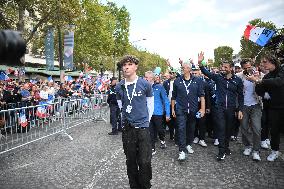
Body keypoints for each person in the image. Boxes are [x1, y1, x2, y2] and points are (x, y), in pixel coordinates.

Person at [116, 55, 154, 189]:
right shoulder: (119, 86)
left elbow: (150, 105)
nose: (126, 67)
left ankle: (145, 185)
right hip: (128, 129)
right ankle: (134, 186)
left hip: (143, 128)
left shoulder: (145, 84)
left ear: (136, 66)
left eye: (129, 64)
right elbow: (121, 106)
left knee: (144, 161)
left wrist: (144, 122)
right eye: (124, 65)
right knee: (131, 161)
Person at [198, 52, 244, 161]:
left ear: (231, 68)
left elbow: (241, 96)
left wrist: (240, 109)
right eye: (222, 67)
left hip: (231, 108)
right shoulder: (218, 78)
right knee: (221, 129)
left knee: (229, 130)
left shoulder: (237, 80)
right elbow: (206, 72)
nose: (222, 68)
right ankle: (221, 151)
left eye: (225, 67)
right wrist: (200, 63)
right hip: (219, 108)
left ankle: (226, 146)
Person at [171, 61, 205, 161]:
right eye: (182, 67)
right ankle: (181, 150)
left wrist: (202, 108)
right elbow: (173, 96)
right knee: (181, 128)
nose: (183, 69)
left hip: (193, 110)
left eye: (185, 67)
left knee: (191, 129)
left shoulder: (197, 80)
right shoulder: (177, 81)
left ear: (189, 69)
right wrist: (173, 108)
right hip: (181, 109)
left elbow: (202, 95)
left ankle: (188, 144)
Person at [255, 53, 284, 161]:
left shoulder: (282, 70)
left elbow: (279, 81)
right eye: (262, 62)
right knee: (274, 131)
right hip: (274, 108)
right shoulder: (267, 76)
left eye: (265, 62)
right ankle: (274, 151)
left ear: (272, 61)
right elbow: (259, 90)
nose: (263, 64)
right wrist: (262, 91)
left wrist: (260, 80)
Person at [236, 59, 264, 161]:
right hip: (243, 105)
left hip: (256, 104)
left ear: (252, 66)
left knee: (257, 128)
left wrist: (256, 79)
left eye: (249, 67)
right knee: (244, 127)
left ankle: (256, 150)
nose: (248, 69)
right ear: (242, 68)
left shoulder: (259, 75)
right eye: (245, 68)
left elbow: (265, 85)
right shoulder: (239, 76)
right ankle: (248, 146)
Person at [144, 71, 170, 155]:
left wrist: (168, 113)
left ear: (151, 78)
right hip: (148, 113)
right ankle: (152, 148)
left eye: (146, 77)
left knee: (160, 129)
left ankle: (162, 140)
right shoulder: (143, 88)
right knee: (150, 131)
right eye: (145, 77)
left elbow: (166, 100)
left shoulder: (159, 87)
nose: (144, 79)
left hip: (158, 113)